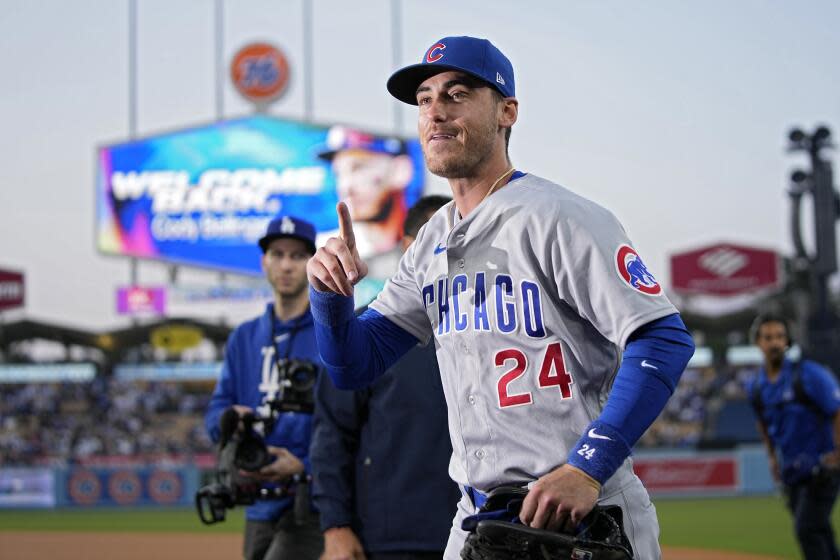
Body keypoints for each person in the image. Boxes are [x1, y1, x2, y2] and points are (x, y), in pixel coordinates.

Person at [306, 35, 695, 559]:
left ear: (507, 111)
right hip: (476, 515)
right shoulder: (429, 242)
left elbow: (663, 338)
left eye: (457, 94)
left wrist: (587, 466)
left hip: (580, 509)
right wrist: (329, 297)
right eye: (424, 99)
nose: (435, 112)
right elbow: (355, 365)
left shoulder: (559, 217)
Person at [311, 195, 460, 560]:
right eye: (437, 239)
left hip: (482, 533)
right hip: (391, 538)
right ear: (409, 247)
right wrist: (336, 526)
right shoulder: (368, 330)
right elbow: (332, 434)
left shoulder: (497, 326)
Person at [205, 215, 324, 560]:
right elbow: (216, 413)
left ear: (312, 263)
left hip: (311, 499)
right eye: (278, 254)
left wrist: (304, 464)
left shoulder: (330, 333)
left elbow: (350, 420)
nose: (286, 265)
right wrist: (229, 419)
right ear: (264, 261)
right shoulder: (243, 337)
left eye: (298, 256)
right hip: (257, 501)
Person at [749, 312, 840, 560]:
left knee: (807, 529)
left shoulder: (809, 374)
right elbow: (763, 423)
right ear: (758, 342)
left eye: (780, 336)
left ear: (787, 341)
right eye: (768, 337)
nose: (775, 342)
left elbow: (837, 410)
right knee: (819, 530)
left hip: (822, 468)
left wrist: (838, 454)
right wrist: (772, 458)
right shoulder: (756, 386)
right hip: (793, 471)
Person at [317, 125, 417, 279]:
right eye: (338, 173)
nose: (345, 187)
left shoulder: (428, 244)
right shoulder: (324, 253)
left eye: (357, 168)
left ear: (400, 171)